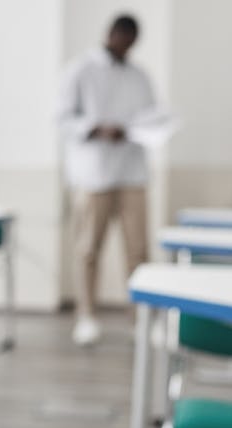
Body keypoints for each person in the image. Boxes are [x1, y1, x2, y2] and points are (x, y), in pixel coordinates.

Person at [58, 14, 155, 346]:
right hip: (93, 173)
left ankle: (140, 318)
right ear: (112, 34)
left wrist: (139, 129)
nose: (126, 46)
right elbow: (62, 119)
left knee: (138, 249)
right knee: (88, 249)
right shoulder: (80, 70)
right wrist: (97, 129)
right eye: (123, 39)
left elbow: (151, 117)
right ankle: (86, 315)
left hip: (132, 171)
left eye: (132, 43)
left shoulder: (140, 75)